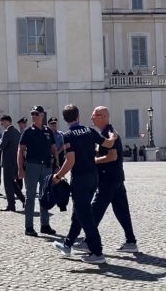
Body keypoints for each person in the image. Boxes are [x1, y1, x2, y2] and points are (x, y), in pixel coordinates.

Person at [52, 104, 118, 264]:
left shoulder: (68, 136)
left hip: (80, 178)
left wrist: (58, 176)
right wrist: (113, 137)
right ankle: (68, 244)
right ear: (78, 116)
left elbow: (71, 160)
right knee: (79, 212)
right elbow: (108, 144)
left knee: (86, 217)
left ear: (65, 119)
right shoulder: (90, 131)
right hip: (93, 177)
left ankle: (97, 252)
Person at [70, 106, 138, 254]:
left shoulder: (108, 133)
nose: (92, 118)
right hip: (116, 177)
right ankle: (131, 241)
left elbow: (112, 156)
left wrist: (93, 161)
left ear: (103, 117)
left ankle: (89, 241)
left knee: (95, 209)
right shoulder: (107, 132)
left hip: (108, 177)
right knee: (122, 210)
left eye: (95, 116)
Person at [17, 106, 58, 237]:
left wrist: (57, 165)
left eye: (36, 114)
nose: (34, 116)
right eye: (32, 114)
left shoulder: (48, 131)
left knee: (45, 195)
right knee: (30, 197)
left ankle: (45, 225)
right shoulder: (28, 131)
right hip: (32, 166)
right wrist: (20, 169)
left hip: (46, 167)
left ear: (42, 115)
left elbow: (54, 149)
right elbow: (21, 150)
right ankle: (29, 227)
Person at [0, 114, 25, 212]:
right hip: (15, 161)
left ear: (9, 122)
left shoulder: (7, 132)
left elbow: (2, 146)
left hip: (8, 161)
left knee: (8, 184)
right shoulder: (17, 132)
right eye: (2, 122)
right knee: (12, 183)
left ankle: (11, 205)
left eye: (4, 122)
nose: (3, 124)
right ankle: (23, 199)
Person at [16, 117, 28, 190]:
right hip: (19, 155)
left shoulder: (27, 133)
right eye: (22, 123)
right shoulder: (17, 134)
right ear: (19, 124)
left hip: (26, 154)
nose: (24, 125)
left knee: (27, 171)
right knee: (19, 170)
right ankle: (19, 187)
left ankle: (28, 187)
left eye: (24, 123)